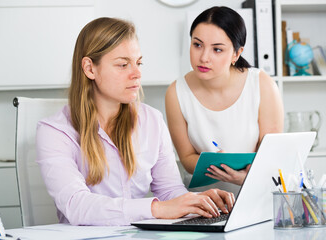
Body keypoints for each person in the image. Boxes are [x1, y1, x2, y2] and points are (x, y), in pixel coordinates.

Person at [36, 17, 234, 226]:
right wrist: (156, 209)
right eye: (123, 65)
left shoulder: (152, 120)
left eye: (138, 63)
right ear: (89, 69)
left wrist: (196, 201)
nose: (137, 74)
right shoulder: (54, 131)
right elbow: (76, 205)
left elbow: (169, 191)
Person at [165, 6, 284, 195]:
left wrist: (244, 177)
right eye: (197, 45)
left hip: (256, 194)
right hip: (205, 202)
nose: (204, 57)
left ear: (236, 54)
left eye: (217, 49)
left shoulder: (262, 85)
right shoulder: (176, 92)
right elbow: (187, 159)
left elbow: (272, 155)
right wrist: (217, 164)